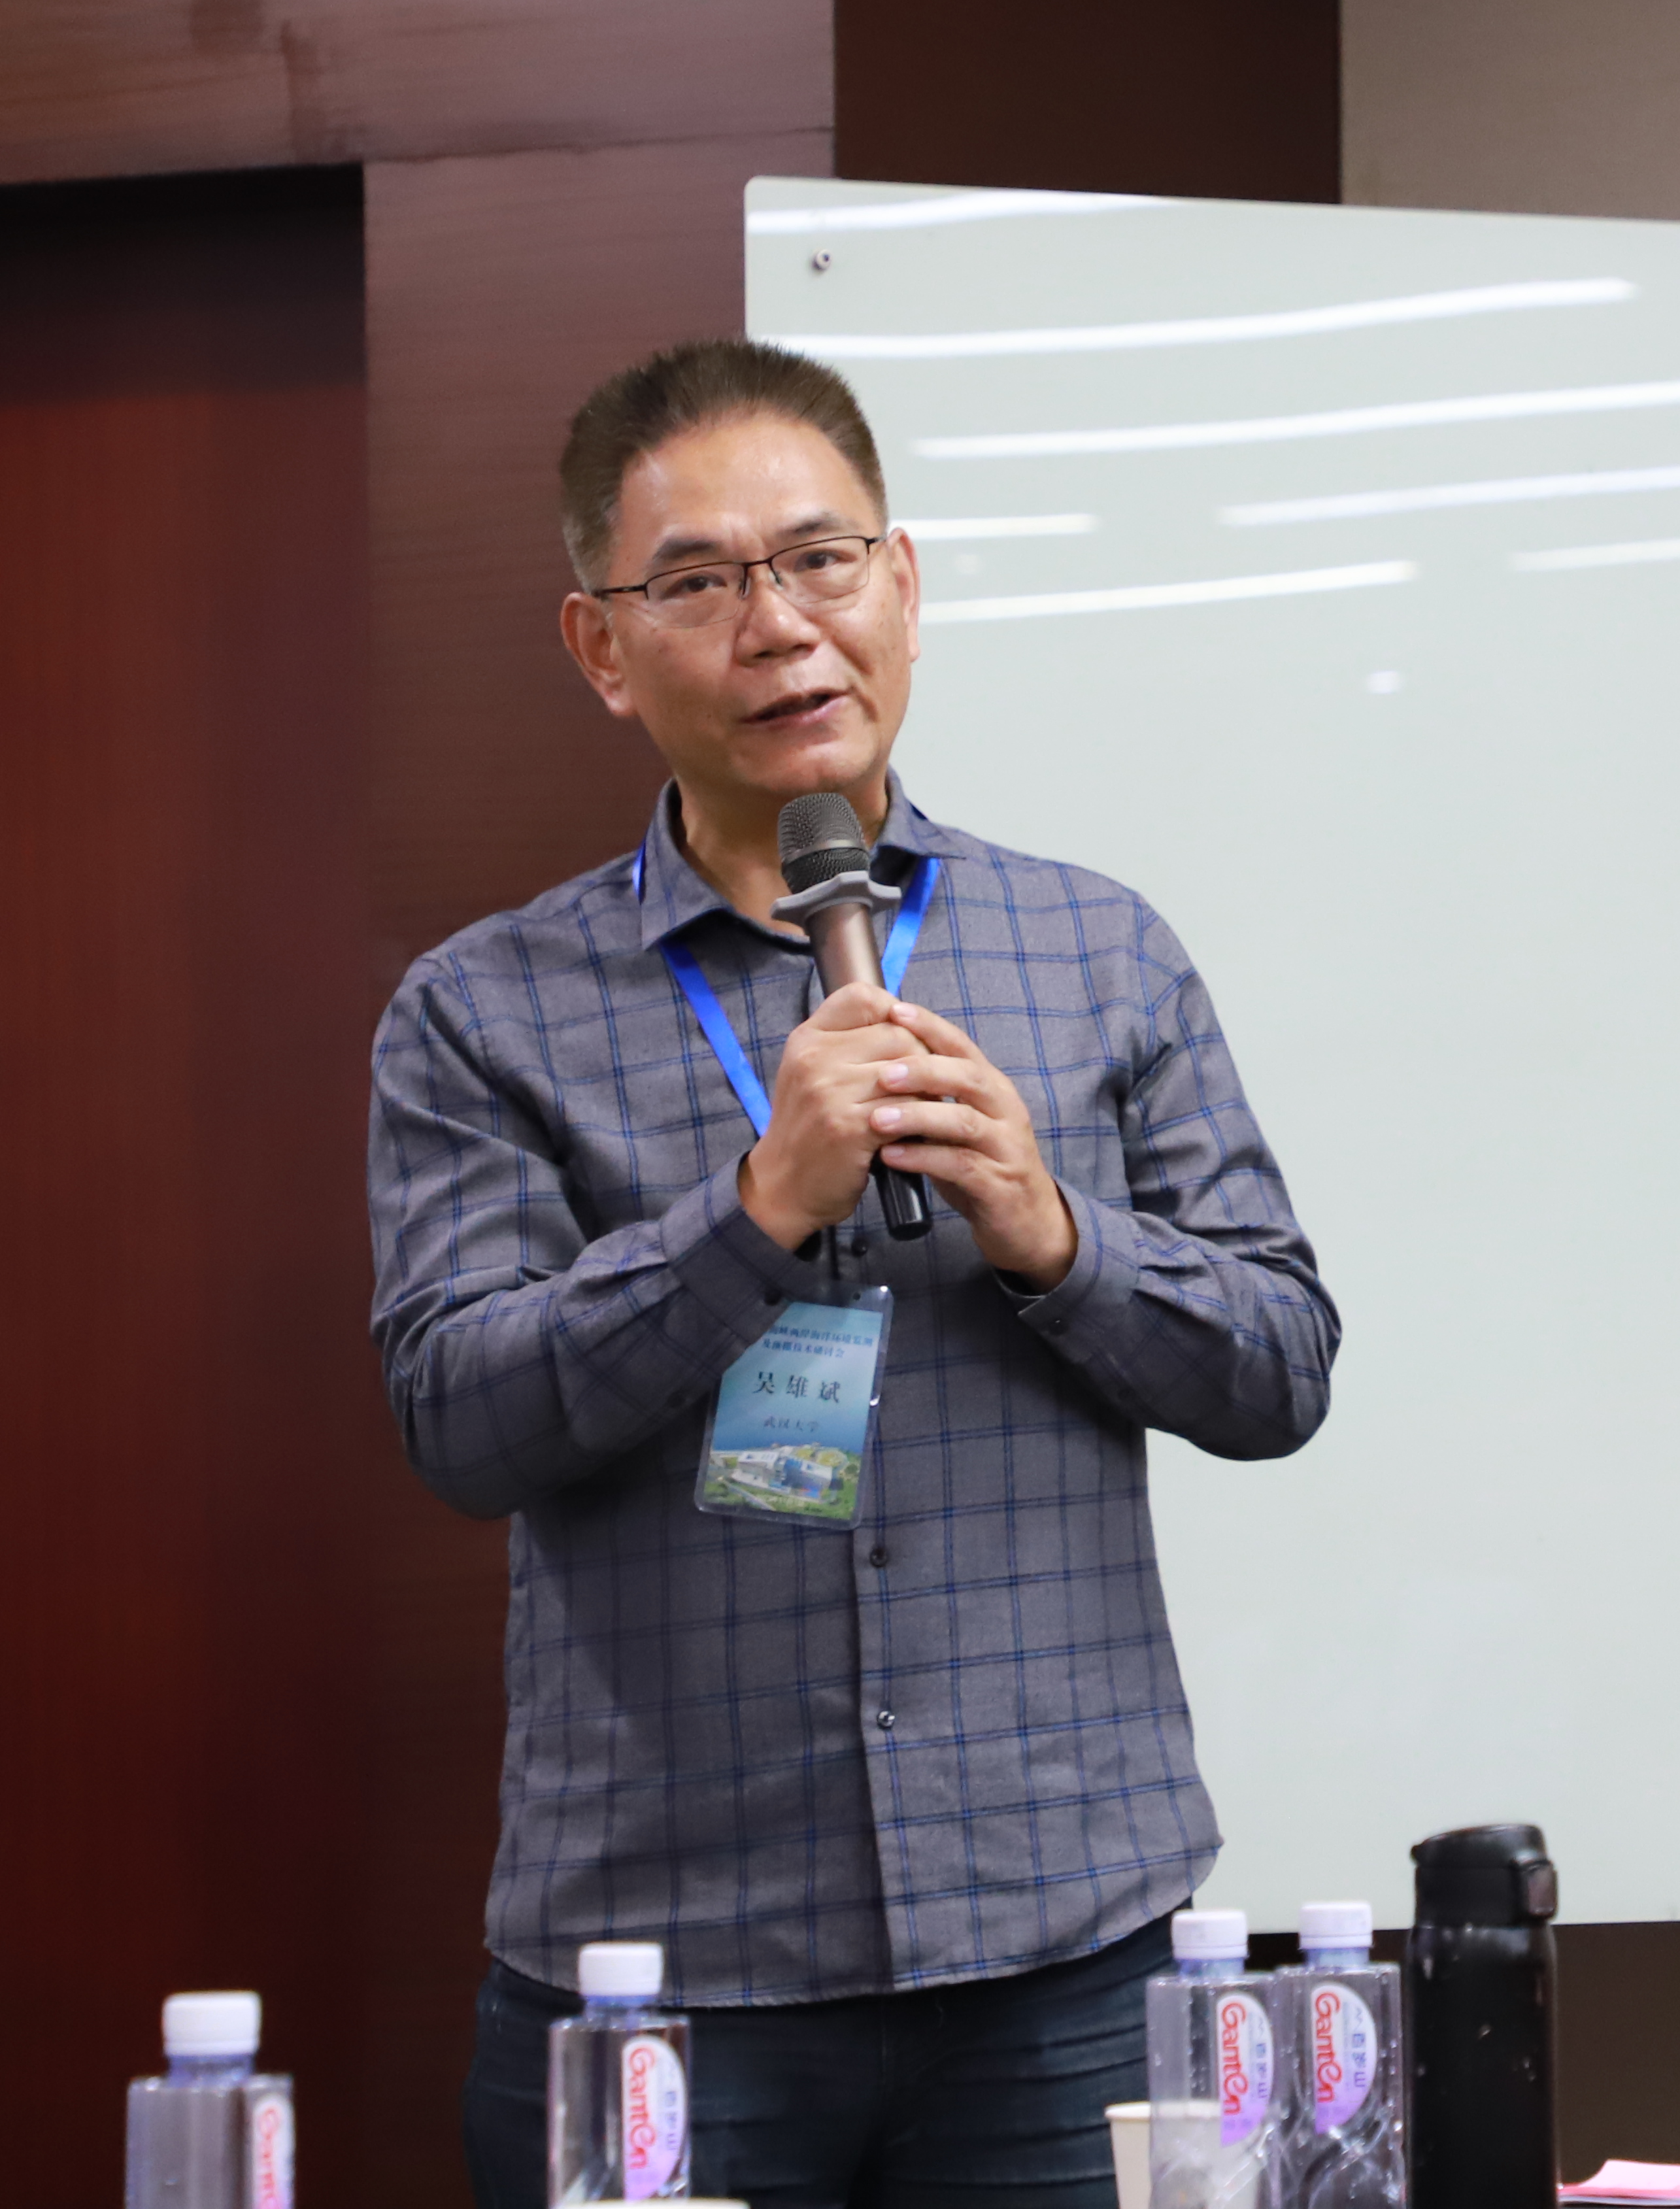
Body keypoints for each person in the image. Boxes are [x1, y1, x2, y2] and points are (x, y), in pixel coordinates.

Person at [367, 337, 1339, 2209]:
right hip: (667, 1967)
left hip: (1064, 1946)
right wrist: (750, 1214)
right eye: (700, 582)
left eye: (821, 560)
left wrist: (1056, 1235)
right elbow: (460, 1419)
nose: (779, 626)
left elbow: (1280, 1364)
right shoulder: (483, 1013)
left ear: (901, 585)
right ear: (601, 649)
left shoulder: (1099, 951)